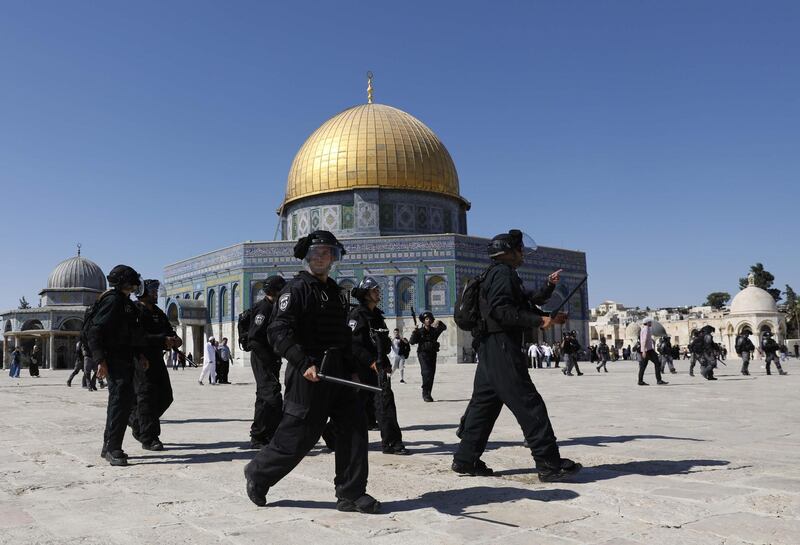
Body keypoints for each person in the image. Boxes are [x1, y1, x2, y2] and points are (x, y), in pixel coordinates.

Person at [244, 230, 380, 513]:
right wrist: (303, 362)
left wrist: (353, 370)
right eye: (317, 253)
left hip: (338, 373)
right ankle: (259, 473)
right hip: (309, 371)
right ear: (307, 257)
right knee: (299, 436)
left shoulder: (335, 291)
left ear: (333, 257)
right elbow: (278, 331)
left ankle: (351, 493)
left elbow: (342, 336)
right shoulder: (295, 290)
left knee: (354, 429)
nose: (322, 258)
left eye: (327, 253)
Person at [452, 229, 580, 482]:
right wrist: (538, 320)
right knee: (529, 403)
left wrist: (548, 310)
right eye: (519, 249)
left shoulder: (497, 274)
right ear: (508, 252)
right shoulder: (502, 274)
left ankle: (465, 459)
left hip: (490, 347)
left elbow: (525, 301)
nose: (522, 254)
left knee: (484, 406)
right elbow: (503, 312)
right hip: (501, 346)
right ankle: (548, 463)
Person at [90, 265, 176, 466]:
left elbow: (131, 334)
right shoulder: (112, 301)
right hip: (114, 360)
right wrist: (100, 360)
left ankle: (108, 446)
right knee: (120, 405)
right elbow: (95, 331)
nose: (136, 284)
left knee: (121, 404)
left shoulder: (124, 302)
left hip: (127, 358)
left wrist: (139, 354)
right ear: (124, 282)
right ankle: (113, 448)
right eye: (132, 280)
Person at [348, 277, 408, 455]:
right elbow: (353, 344)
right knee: (353, 409)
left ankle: (392, 443)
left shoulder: (377, 317)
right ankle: (332, 435)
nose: (378, 293)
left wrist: (386, 362)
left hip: (378, 369)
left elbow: (381, 343)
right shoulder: (358, 316)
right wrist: (370, 361)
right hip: (361, 370)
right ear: (366, 295)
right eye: (374, 290)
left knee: (386, 404)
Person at [128, 280, 180, 452]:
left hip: (157, 358)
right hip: (141, 358)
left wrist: (175, 340)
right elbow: (136, 337)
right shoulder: (134, 311)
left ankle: (136, 420)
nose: (156, 294)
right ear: (143, 291)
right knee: (146, 398)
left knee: (166, 396)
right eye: (153, 291)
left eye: (157, 291)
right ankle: (149, 437)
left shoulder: (158, 312)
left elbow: (169, 331)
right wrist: (160, 340)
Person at [247, 275, 287, 450]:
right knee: (272, 396)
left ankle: (261, 434)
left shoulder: (274, 307)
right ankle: (266, 435)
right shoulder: (264, 308)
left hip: (271, 359)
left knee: (264, 397)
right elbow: (254, 339)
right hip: (262, 358)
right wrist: (268, 359)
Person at [409, 311, 447, 402]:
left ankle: (428, 393)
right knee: (426, 372)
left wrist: (439, 322)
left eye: (430, 318)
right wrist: (414, 331)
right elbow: (412, 342)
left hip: (432, 353)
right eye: (426, 319)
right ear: (423, 321)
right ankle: (425, 393)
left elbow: (444, 327)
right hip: (423, 354)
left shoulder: (434, 331)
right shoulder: (419, 331)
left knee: (431, 374)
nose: (428, 320)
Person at [638, 318, 668, 386]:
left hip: (646, 350)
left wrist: (643, 350)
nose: (651, 323)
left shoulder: (643, 329)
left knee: (643, 366)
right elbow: (644, 340)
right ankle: (659, 380)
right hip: (648, 350)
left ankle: (640, 381)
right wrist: (644, 351)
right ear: (647, 323)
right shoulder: (646, 329)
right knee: (657, 363)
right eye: (650, 322)